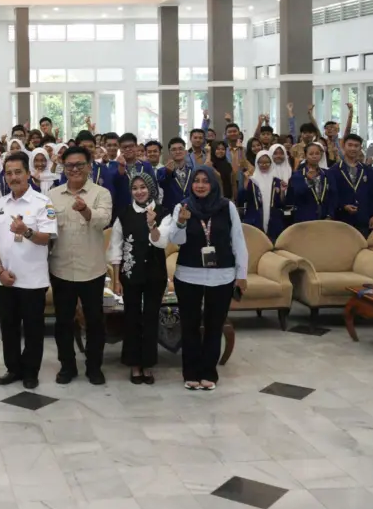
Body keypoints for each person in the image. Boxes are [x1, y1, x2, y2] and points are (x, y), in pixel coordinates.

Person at [166, 167, 247, 391]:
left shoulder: (226, 206)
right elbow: (176, 240)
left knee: (214, 326)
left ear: (213, 184)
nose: (200, 185)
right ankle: (190, 372)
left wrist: (242, 275)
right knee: (190, 326)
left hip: (222, 275)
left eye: (205, 181)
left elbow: (238, 240)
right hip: (188, 275)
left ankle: (208, 372)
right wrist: (181, 222)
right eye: (196, 181)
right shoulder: (182, 206)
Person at [0, 151, 58, 390]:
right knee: (9, 328)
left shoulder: (42, 203)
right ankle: (13, 368)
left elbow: (45, 238)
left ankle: (30, 371)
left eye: (18, 172)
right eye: (9, 173)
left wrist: (25, 230)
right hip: (5, 279)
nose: (13, 177)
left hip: (33, 280)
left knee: (34, 329)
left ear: (28, 174)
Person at [48, 146, 111, 385]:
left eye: (79, 165)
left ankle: (94, 367)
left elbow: (104, 221)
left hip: (91, 269)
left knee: (94, 322)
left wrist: (85, 210)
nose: (74, 169)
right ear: (63, 168)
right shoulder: (52, 196)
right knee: (63, 322)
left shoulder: (101, 193)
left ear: (89, 167)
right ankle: (67, 366)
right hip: (61, 268)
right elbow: (48, 229)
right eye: (69, 165)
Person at [107, 171, 169, 384]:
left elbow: (161, 243)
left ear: (150, 188)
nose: (139, 191)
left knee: (151, 318)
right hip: (130, 274)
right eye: (135, 188)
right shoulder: (124, 214)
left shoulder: (163, 212)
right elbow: (115, 248)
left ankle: (148, 364)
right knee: (132, 318)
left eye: (143, 187)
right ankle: (134, 364)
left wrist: (152, 224)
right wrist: (116, 279)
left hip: (155, 273)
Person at [331, 133, 373, 236]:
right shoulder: (334, 170)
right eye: (350, 145)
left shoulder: (368, 171)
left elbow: (372, 195)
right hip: (342, 218)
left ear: (360, 148)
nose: (353, 148)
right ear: (344, 146)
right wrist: (343, 205)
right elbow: (332, 195)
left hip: (363, 218)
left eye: (356, 146)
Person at [287, 142, 337, 223]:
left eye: (317, 153)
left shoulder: (327, 174)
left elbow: (333, 195)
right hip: (304, 219)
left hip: (325, 219)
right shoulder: (297, 175)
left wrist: (330, 215)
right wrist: (310, 181)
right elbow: (296, 195)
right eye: (311, 154)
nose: (314, 156)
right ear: (306, 156)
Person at [242, 151, 285, 241]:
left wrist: (282, 191)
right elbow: (244, 198)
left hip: (273, 220)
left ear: (271, 163)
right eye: (260, 162)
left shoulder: (276, 181)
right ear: (257, 163)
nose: (263, 165)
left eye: (266, 162)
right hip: (255, 219)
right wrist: (246, 183)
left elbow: (280, 203)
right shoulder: (252, 180)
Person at [160, 137, 194, 212]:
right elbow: (162, 184)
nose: (177, 152)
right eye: (174, 149)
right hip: (170, 211)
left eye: (180, 149)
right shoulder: (162, 171)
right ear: (169, 152)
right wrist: (168, 173)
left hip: (190, 210)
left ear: (185, 152)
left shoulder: (193, 171)